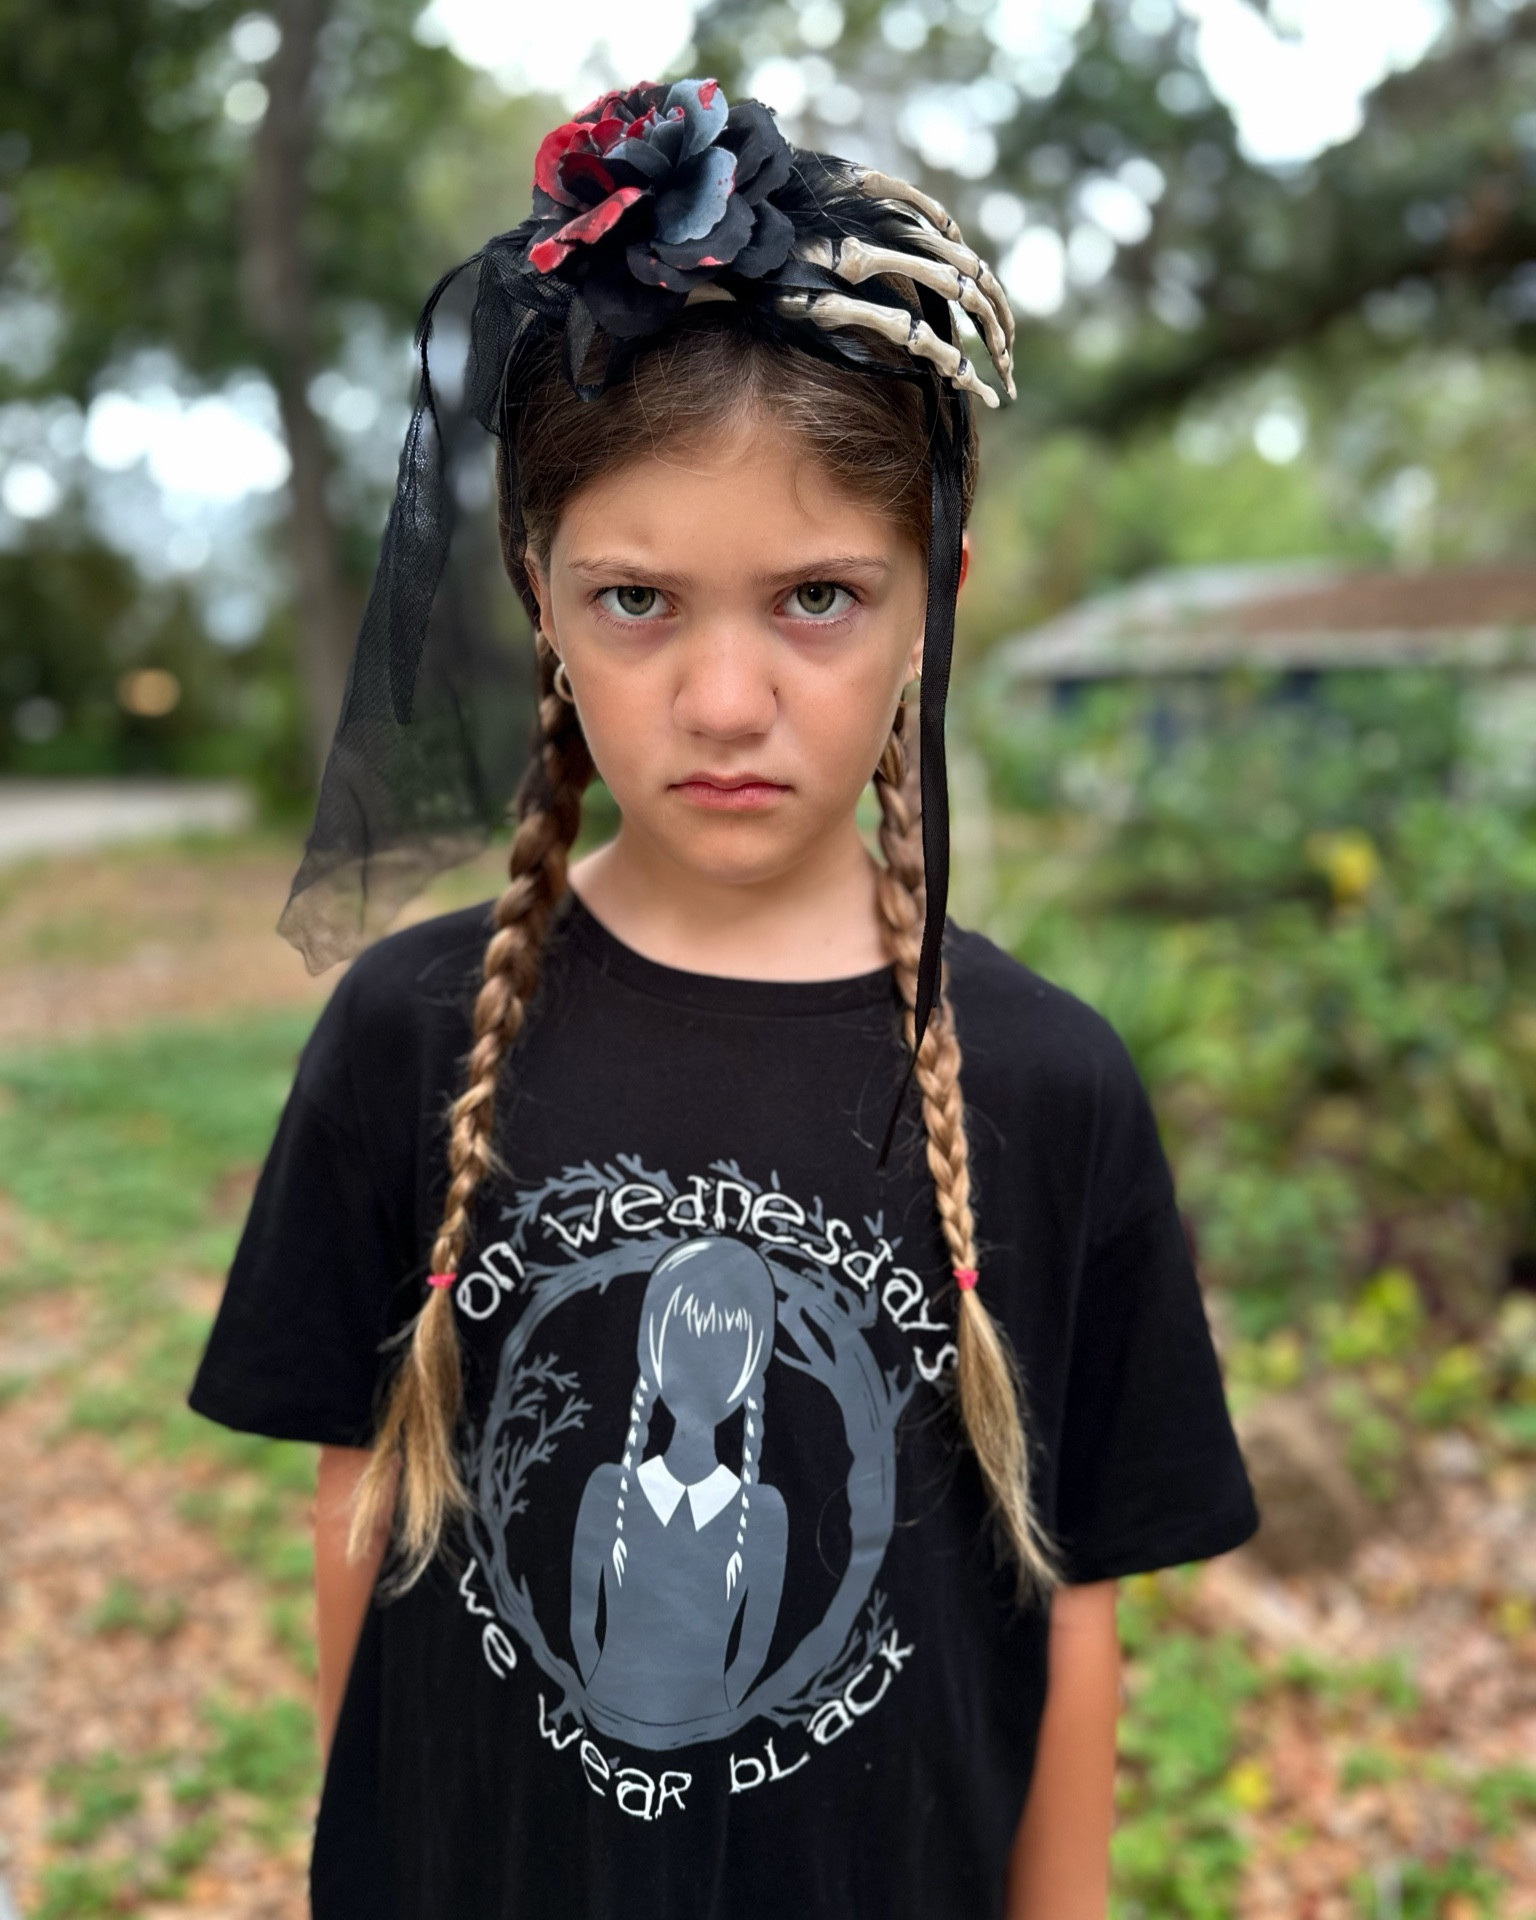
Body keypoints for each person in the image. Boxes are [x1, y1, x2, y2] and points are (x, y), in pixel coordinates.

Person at [186, 77, 1260, 1920]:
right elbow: (361, 1520)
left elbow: (1072, 1609)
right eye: (638, 601)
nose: (727, 698)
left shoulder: (1049, 1084)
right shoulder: (406, 1033)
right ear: (537, 592)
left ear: (938, 600)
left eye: (821, 597)